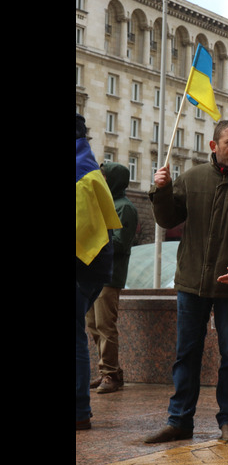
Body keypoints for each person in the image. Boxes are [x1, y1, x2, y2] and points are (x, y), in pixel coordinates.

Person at [144, 120, 228, 444]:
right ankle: (179, 421)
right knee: (186, 354)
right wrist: (160, 191)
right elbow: (167, 219)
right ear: (213, 146)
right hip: (191, 283)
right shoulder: (192, 178)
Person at [77, 113, 122, 430]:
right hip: (91, 265)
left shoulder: (80, 169)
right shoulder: (87, 164)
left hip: (83, 263)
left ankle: (79, 410)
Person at [86, 161, 139, 394]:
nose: (101, 180)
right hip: (94, 272)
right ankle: (109, 371)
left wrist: (93, 237)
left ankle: (110, 375)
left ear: (114, 180)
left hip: (110, 275)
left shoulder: (124, 207)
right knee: (92, 325)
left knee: (105, 325)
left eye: (104, 177)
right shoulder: (105, 203)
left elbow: (120, 243)